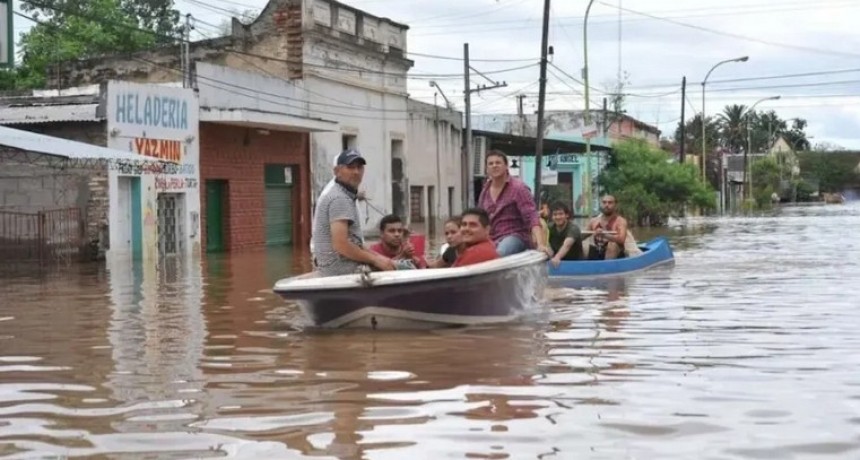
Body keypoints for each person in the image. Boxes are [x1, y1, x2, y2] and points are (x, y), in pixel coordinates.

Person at [311, 149, 396, 276]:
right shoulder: (340, 198)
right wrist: (376, 260)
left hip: (337, 265)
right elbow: (341, 245)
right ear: (337, 172)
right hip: (341, 268)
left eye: (359, 167)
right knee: (407, 267)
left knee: (392, 263)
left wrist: (379, 258)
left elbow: (354, 242)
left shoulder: (343, 194)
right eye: (350, 167)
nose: (356, 172)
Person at [477, 150, 551, 257]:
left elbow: (532, 216)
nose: (494, 166)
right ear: (487, 168)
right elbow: (480, 218)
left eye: (498, 163)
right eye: (491, 163)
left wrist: (540, 244)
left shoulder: (518, 188)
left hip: (514, 236)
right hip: (491, 238)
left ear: (506, 166)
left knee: (499, 254)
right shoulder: (485, 190)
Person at [583, 194, 631, 260]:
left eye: (610, 203)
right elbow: (583, 236)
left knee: (612, 245)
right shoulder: (593, 221)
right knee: (580, 244)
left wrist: (605, 235)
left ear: (615, 205)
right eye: (604, 202)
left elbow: (621, 239)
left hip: (615, 254)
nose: (606, 205)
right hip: (597, 250)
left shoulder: (620, 221)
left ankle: (607, 266)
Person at [547, 201, 584, 267]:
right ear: (552, 217)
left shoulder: (573, 228)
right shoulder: (549, 227)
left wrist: (557, 257)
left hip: (575, 264)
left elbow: (567, 245)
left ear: (567, 215)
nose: (558, 217)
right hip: (557, 265)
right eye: (555, 214)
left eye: (561, 214)